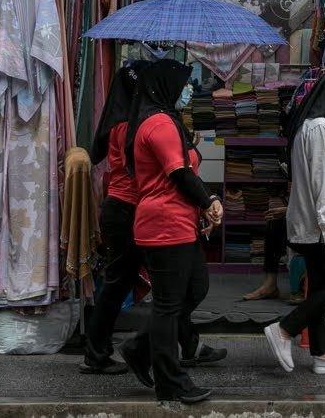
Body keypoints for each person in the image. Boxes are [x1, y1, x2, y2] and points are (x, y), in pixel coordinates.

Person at [82, 62, 226, 375]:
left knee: (172, 286)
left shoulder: (144, 120)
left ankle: (184, 346)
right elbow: (165, 172)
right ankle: (100, 351)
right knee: (128, 284)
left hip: (137, 209)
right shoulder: (132, 125)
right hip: (129, 209)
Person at [118, 60, 223, 404]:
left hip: (181, 222)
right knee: (167, 306)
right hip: (165, 224)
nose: (188, 89)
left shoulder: (166, 120)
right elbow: (179, 173)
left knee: (195, 288)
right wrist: (208, 201)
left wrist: (204, 204)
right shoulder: (159, 123)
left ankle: (139, 347)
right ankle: (171, 382)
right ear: (166, 86)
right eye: (184, 83)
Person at [263, 70, 325, 375]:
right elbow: (324, 184)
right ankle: (284, 329)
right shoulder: (319, 128)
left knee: (319, 285)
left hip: (309, 223)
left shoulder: (307, 125)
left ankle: (323, 354)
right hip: (320, 226)